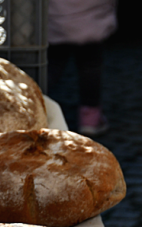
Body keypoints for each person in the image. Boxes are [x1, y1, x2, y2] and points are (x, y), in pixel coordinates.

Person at [47, 0, 118, 137]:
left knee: (52, 66)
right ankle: (90, 118)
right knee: (90, 67)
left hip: (57, 19)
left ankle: (31, 105)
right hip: (93, 17)